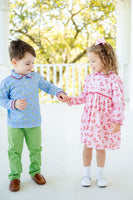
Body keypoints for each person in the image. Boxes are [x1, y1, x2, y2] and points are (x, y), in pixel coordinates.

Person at [0, 39, 69, 192]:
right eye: (27, 63)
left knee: (36, 149)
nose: (31, 66)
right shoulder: (7, 82)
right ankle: (15, 177)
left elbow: (47, 86)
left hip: (33, 122)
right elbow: (1, 99)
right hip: (15, 124)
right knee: (14, 151)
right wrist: (13, 104)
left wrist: (58, 92)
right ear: (14, 62)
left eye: (32, 63)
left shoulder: (35, 77)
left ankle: (35, 172)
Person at [67, 37, 125, 187]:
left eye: (93, 61)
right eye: (90, 62)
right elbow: (84, 96)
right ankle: (86, 175)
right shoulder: (90, 78)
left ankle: (100, 176)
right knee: (87, 146)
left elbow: (119, 101)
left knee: (100, 147)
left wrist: (117, 121)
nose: (91, 65)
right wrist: (70, 100)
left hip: (104, 120)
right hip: (90, 119)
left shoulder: (114, 79)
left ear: (105, 59)